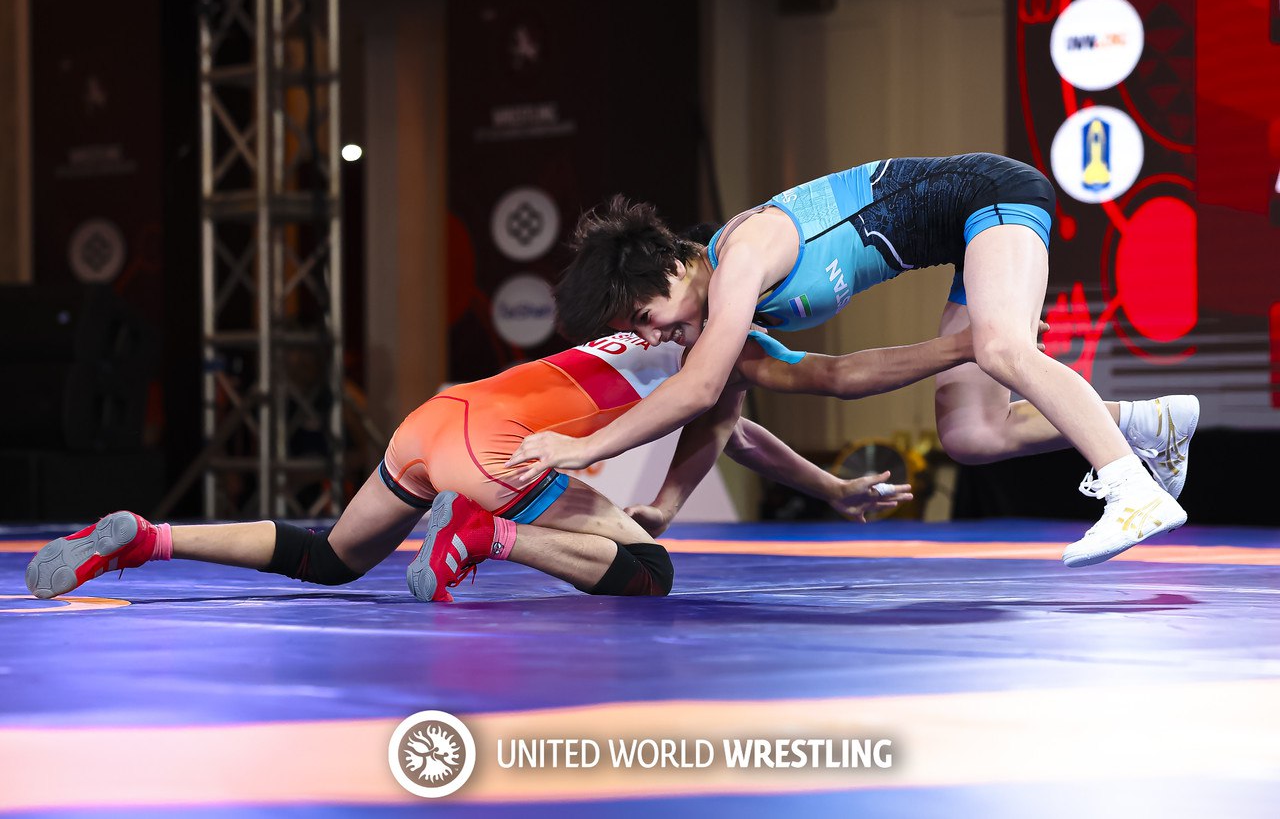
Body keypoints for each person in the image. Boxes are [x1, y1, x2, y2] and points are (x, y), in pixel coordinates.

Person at [506, 154, 1198, 568]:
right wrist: (666, 505)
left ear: (669, 270)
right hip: (966, 236)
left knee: (1001, 347)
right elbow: (809, 386)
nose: (654, 336)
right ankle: (1151, 424)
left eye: (644, 319)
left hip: (992, 192)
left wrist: (583, 447)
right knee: (972, 433)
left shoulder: (741, 257)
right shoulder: (723, 314)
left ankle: (1131, 489)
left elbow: (698, 389)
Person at [26, 324, 979, 604]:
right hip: (497, 454)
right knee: (649, 568)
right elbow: (761, 407)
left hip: (437, 418)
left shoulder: (646, 333)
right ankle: (488, 534)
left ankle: (145, 538)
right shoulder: (721, 340)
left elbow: (731, 428)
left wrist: (829, 486)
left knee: (333, 556)